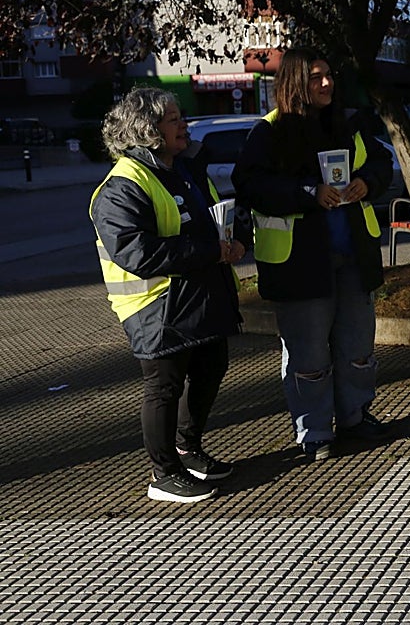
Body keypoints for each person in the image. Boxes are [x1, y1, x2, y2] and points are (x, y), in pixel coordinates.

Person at [232, 47, 393, 461]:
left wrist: (366, 183)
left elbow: (380, 162)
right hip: (300, 266)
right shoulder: (268, 132)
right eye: (315, 77)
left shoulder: (346, 124)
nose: (326, 84)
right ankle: (315, 432)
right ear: (294, 84)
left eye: (328, 76)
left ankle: (355, 418)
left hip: (352, 258)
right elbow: (251, 185)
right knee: (309, 358)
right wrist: (308, 194)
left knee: (357, 348)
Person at [90, 88, 245, 503]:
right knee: (164, 386)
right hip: (153, 306)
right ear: (148, 129)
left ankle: (187, 449)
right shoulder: (123, 185)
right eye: (174, 119)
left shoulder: (178, 169)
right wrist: (213, 251)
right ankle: (164, 474)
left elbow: (209, 221)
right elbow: (137, 252)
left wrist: (232, 239)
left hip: (193, 298)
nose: (184, 125)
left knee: (213, 365)